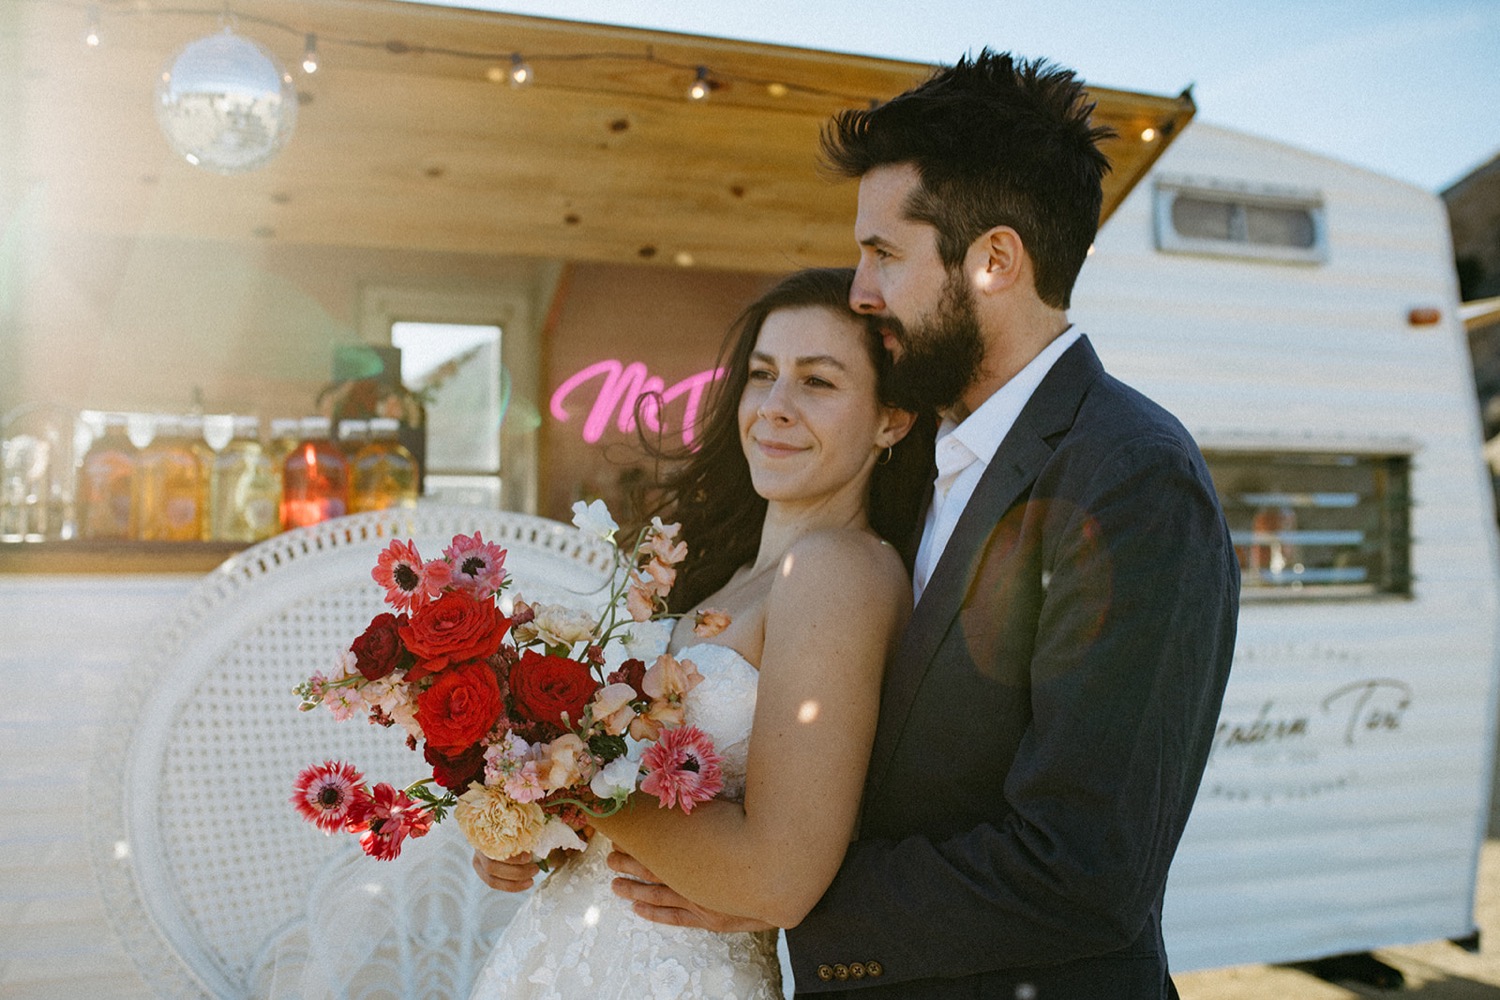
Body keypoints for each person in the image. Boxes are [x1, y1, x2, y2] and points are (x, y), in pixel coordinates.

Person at [608, 50, 1240, 998]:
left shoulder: (1130, 477)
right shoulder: (911, 470)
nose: (861, 290)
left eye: (885, 254)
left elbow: (1085, 868)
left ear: (993, 262)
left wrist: (785, 896)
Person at [467, 267, 935, 999]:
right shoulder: (726, 578)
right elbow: (654, 816)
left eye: (818, 382)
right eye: (762, 374)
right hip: (569, 957)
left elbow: (777, 878)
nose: (775, 407)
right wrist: (533, 823)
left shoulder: (837, 571)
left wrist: (563, 778)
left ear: (892, 418)